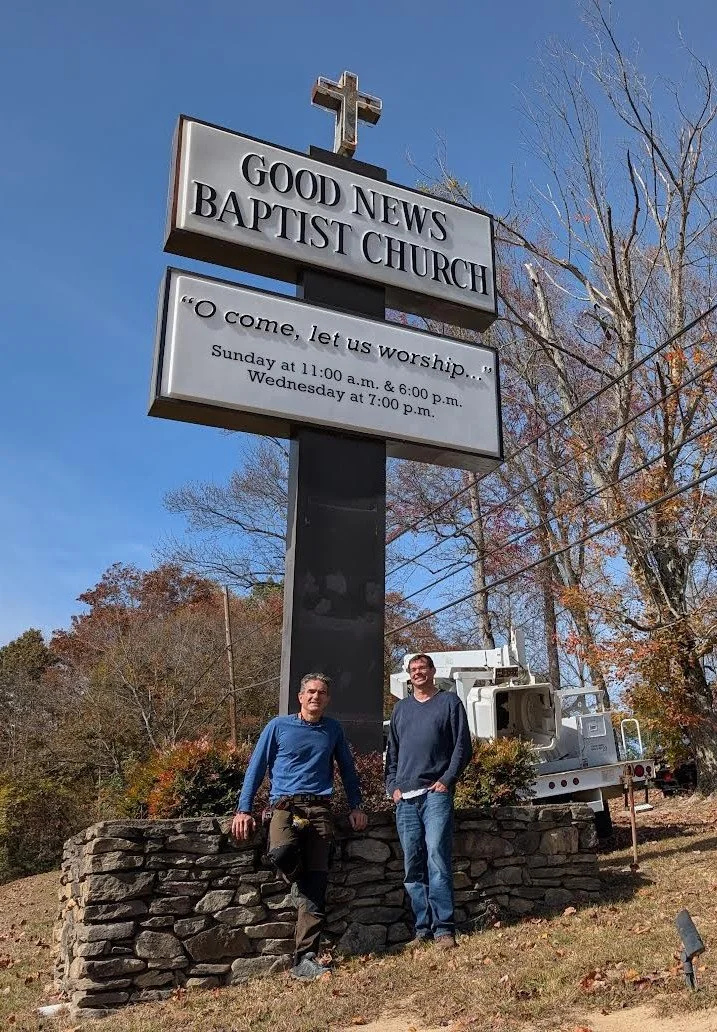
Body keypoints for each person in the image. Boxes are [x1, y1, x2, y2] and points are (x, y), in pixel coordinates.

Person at [232, 672, 368, 980]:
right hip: (285, 806)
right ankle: (298, 877)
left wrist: (356, 807)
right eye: (310, 692)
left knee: (316, 886)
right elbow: (256, 767)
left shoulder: (332, 729)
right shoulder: (278, 726)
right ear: (300, 696)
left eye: (321, 692)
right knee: (281, 853)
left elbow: (347, 769)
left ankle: (305, 957)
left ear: (327, 698)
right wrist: (244, 809)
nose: (315, 697)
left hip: (319, 809)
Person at [385, 653, 472, 948]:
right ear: (409, 676)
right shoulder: (400, 709)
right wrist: (392, 787)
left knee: (436, 855)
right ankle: (422, 929)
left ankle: (444, 929)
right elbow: (393, 752)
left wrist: (447, 780)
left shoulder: (449, 703)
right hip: (405, 798)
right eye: (413, 669)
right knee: (413, 864)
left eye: (423, 668)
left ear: (433, 671)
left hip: (435, 794)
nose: (418, 673)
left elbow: (463, 747)